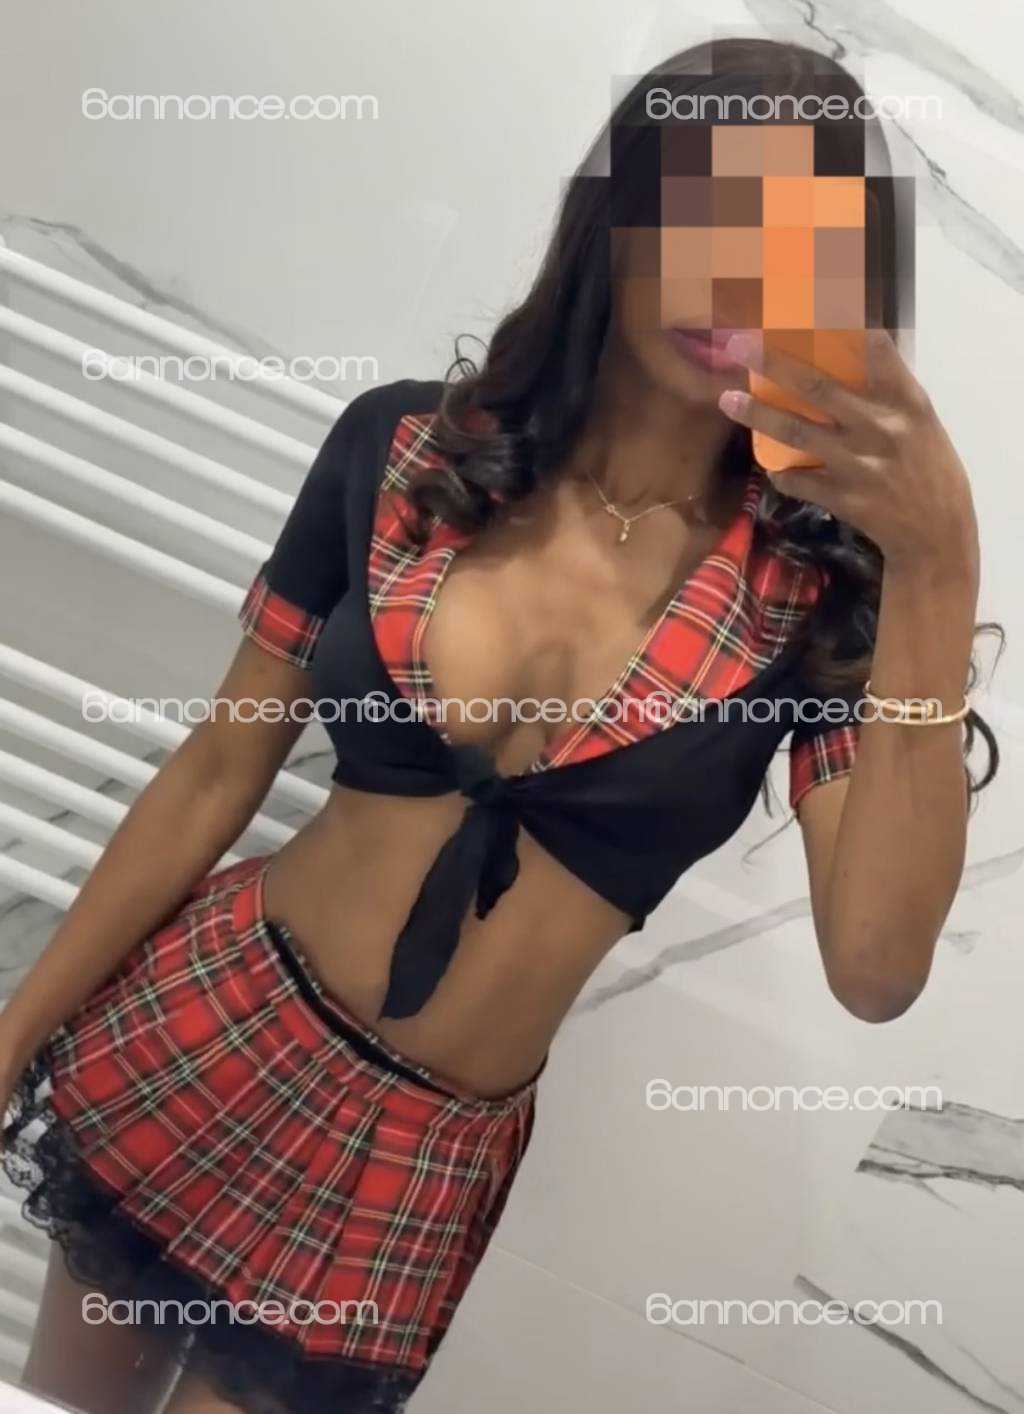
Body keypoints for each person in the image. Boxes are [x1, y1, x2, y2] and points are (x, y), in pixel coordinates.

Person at [0, 35, 997, 1414]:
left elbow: (877, 969)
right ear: (620, 218)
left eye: (792, 245)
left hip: (412, 1167)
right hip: (215, 1025)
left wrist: (941, 561)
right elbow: (218, 767)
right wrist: (10, 1035)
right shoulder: (406, 450)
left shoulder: (822, 601)